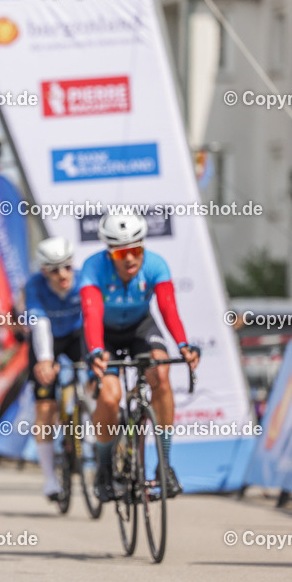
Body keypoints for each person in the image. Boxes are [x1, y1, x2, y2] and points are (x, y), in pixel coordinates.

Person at [79, 214, 200, 501]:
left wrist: (183, 345)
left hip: (139, 328)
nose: (131, 259)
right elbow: (92, 314)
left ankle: (164, 464)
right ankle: (105, 466)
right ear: (109, 253)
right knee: (109, 397)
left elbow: (168, 309)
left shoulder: (156, 265)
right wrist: (96, 350)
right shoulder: (93, 268)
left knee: (160, 376)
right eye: (122, 252)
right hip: (103, 333)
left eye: (137, 250)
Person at [24, 237, 83, 502]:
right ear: (44, 271)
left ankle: (89, 418)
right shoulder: (34, 285)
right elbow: (40, 324)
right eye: (55, 269)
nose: (63, 274)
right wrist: (45, 360)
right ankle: (50, 479)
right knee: (45, 408)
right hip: (47, 338)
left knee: (98, 379)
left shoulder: (83, 280)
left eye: (67, 267)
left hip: (76, 335)